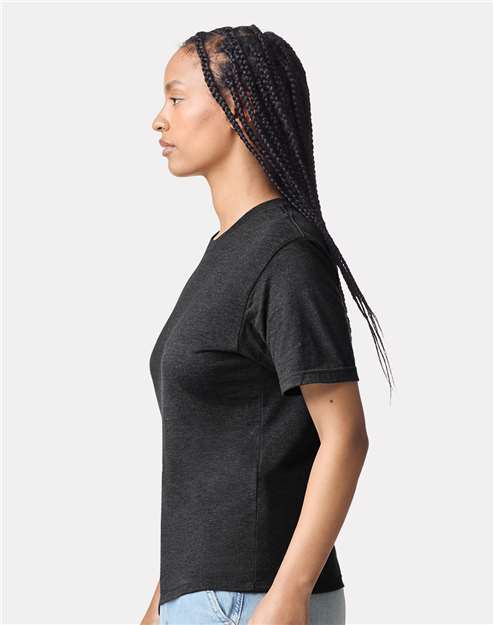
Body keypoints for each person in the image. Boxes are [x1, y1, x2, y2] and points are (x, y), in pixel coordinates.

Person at [142, 25, 395, 625]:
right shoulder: (228, 251)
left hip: (255, 601)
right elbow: (214, 465)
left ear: (241, 109)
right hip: (205, 598)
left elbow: (345, 435)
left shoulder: (286, 254)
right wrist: (162, 602)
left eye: (176, 98)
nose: (158, 120)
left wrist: (289, 594)